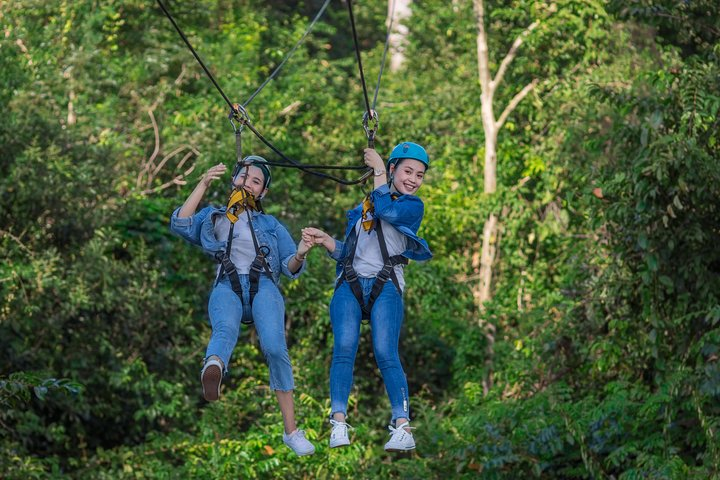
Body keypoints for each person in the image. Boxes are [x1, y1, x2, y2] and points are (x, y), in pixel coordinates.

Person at [169, 156, 315, 456]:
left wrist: (301, 252)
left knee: (275, 347)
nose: (248, 184)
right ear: (233, 181)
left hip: (263, 286)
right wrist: (204, 181)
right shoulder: (215, 217)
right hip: (228, 284)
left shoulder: (270, 224)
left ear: (262, 193)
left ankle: (291, 431)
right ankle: (214, 368)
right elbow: (181, 223)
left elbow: (290, 266)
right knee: (224, 331)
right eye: (243, 178)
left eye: (255, 181)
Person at [301, 142, 432, 452]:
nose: (413, 179)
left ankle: (402, 426)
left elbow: (388, 210)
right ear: (394, 169)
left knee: (385, 351)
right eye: (408, 171)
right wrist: (325, 241)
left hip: (386, 285)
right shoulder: (363, 210)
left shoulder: (412, 207)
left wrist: (377, 171)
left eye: (419, 175)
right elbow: (349, 253)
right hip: (350, 283)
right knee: (344, 348)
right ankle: (338, 423)